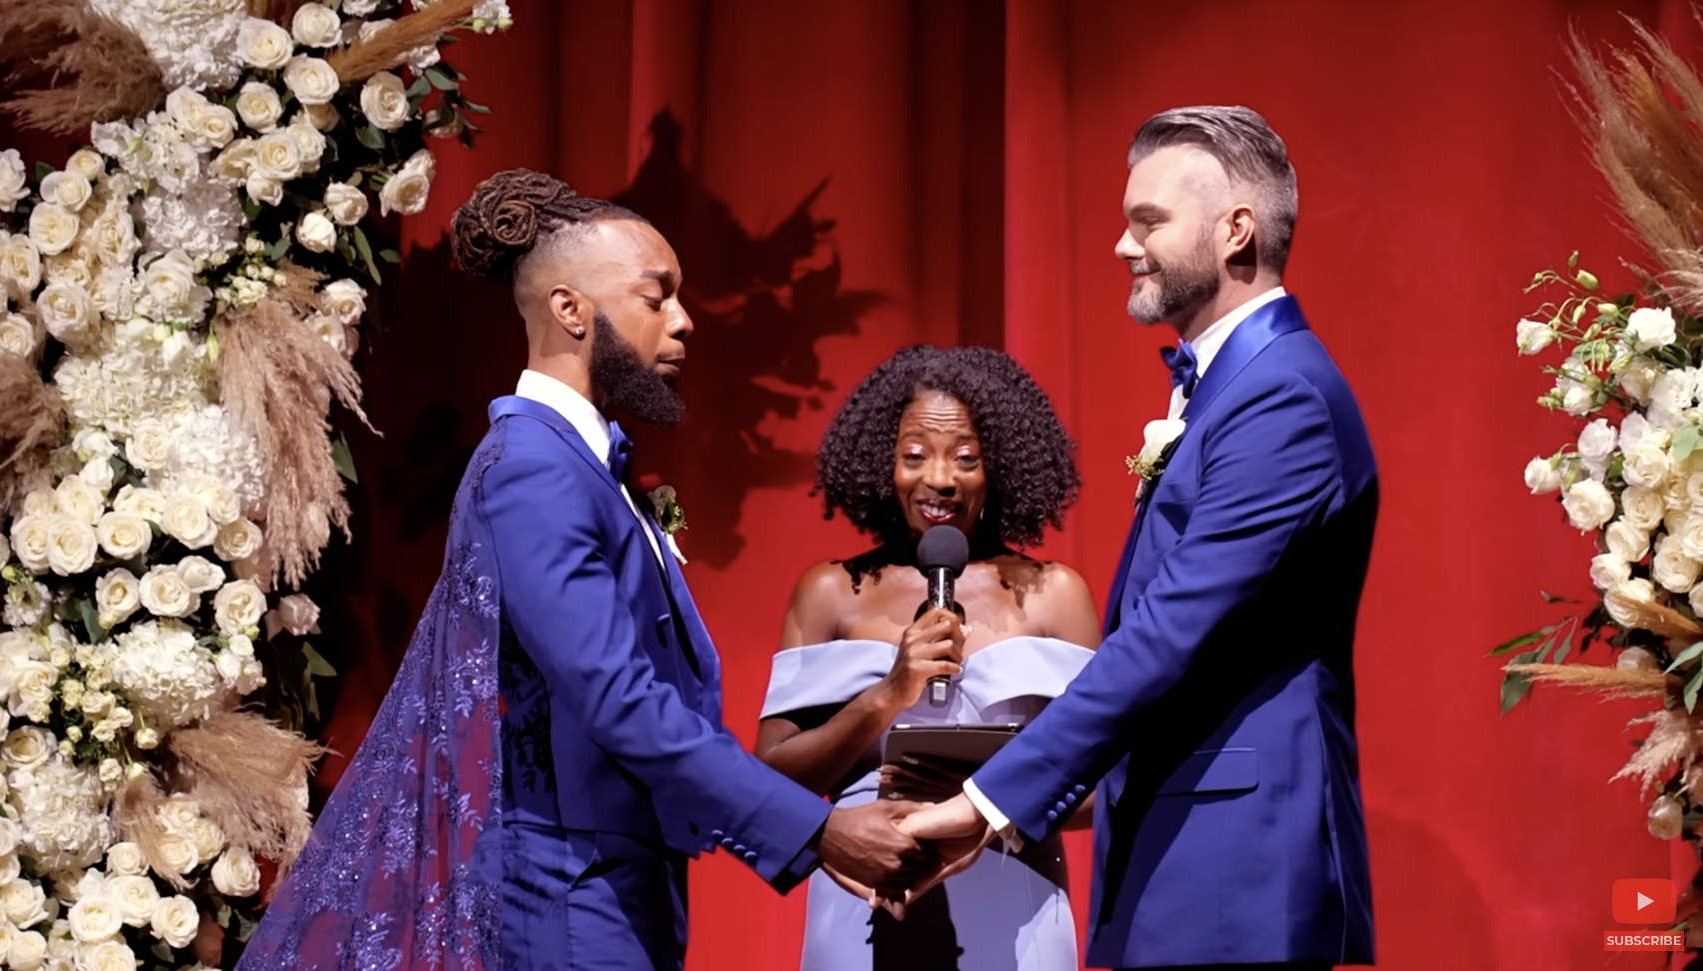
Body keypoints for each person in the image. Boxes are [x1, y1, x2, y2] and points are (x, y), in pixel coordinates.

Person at [237, 170, 925, 971]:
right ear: (571, 309)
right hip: (565, 884)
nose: (685, 321)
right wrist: (817, 829)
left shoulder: (584, 467)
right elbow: (618, 698)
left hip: (616, 877)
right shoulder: (533, 467)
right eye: (657, 297)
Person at [899, 106, 1379, 971]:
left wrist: (984, 803)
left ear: (1236, 231)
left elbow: (1166, 634)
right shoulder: (1238, 386)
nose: (1124, 246)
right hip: (1187, 838)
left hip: (1235, 857)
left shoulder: (1281, 397)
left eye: (1148, 221)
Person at [756, 345, 1101, 971]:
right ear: (882, 463)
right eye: (915, 455)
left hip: (1016, 900)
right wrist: (888, 692)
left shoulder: (1054, 594)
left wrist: (985, 805)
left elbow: (1104, 784)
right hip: (863, 896)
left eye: (965, 458)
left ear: (998, 466)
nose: (938, 478)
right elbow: (774, 781)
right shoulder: (831, 591)